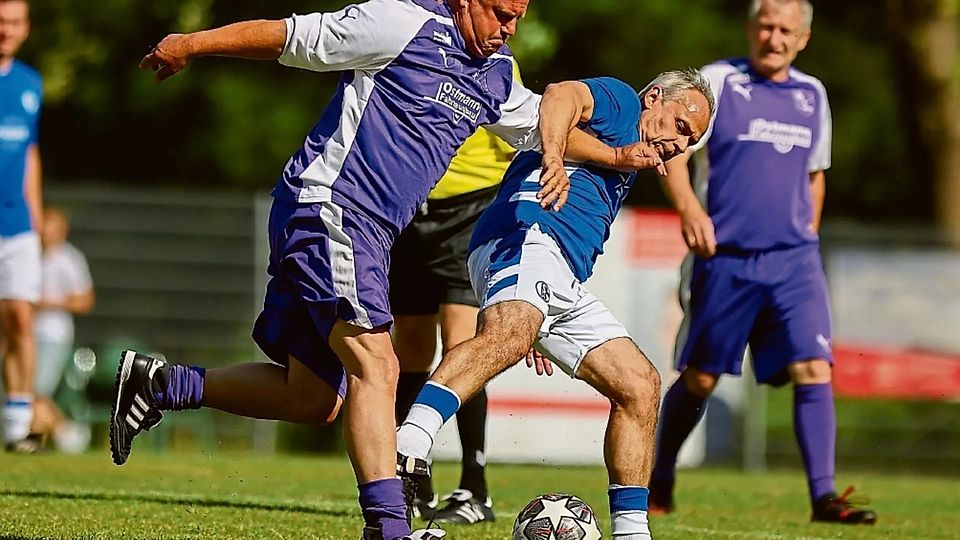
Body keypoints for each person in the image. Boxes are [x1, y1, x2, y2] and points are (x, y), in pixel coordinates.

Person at [111, 2, 653, 539]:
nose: (508, 28)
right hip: (331, 207)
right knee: (379, 363)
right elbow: (289, 37)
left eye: (517, 17)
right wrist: (190, 44)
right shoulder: (403, 23)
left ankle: (160, 384)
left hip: (370, 232)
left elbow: (538, 125)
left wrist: (616, 156)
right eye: (499, 13)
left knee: (315, 398)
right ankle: (390, 529)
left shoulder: (494, 73)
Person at [396, 70, 714, 540]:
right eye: (681, 126)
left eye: (692, 140)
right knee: (508, 333)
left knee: (640, 386)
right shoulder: (624, 103)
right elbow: (560, 95)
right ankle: (409, 442)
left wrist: (533, 319)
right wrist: (553, 157)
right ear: (654, 99)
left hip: (559, 273)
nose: (680, 143)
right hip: (527, 236)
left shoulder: (628, 158)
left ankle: (632, 532)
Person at [649, 0, 877, 525]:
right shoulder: (719, 82)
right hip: (723, 258)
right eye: (766, 26)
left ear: (803, 39)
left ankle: (824, 498)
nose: (773, 38)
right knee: (702, 378)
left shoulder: (811, 94)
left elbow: (816, 173)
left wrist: (807, 234)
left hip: (794, 261)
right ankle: (660, 475)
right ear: (752, 29)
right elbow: (673, 150)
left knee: (814, 366)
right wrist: (688, 209)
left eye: (785, 30)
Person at [391, 105, 520, 524]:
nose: (505, 33)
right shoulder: (407, 49)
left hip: (471, 208)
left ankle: (474, 487)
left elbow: (522, 136)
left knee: (462, 342)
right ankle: (414, 480)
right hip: (407, 208)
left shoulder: (495, 63)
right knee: (409, 345)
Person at [0, 0, 43, 454]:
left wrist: (34, 215)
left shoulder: (31, 84)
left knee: (20, 318)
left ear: (25, 28)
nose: (5, 29)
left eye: (13, 22)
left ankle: (17, 423)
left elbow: (30, 153)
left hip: (16, 224)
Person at [31, 207, 94, 453]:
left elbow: (85, 300)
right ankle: (55, 434)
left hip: (54, 336)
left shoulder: (71, 259)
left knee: (37, 390)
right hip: (27, 333)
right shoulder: (30, 256)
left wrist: (50, 303)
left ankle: (63, 434)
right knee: (26, 389)